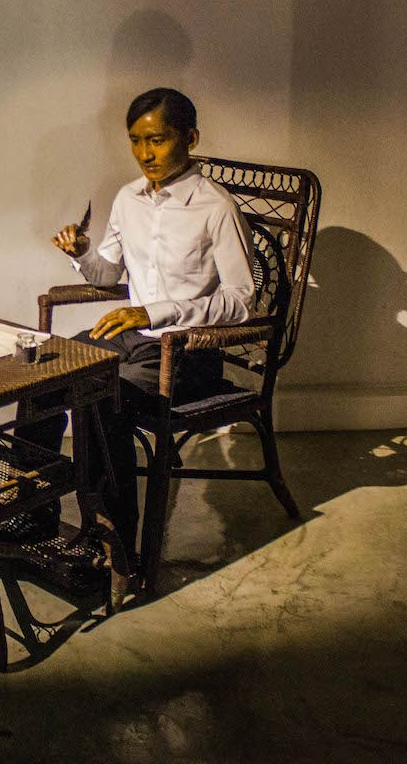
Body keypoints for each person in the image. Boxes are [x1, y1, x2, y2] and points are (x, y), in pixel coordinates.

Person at [16, 87, 257, 583]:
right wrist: (82, 251)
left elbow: (242, 301)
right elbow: (107, 277)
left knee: (101, 392)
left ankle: (112, 544)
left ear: (189, 138)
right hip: (132, 337)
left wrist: (154, 311)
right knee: (44, 369)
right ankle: (29, 511)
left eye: (158, 140)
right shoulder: (129, 198)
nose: (146, 153)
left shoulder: (215, 207)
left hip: (186, 350)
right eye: (136, 141)